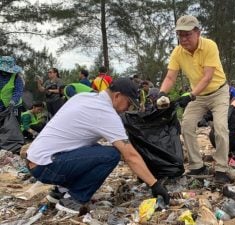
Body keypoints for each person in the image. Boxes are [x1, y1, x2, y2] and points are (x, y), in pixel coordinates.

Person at [26, 78, 169, 214]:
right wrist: (154, 185)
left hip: (37, 159)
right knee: (111, 155)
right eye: (128, 103)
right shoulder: (105, 113)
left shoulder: (83, 97)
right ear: (117, 96)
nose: (127, 109)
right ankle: (73, 199)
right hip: (46, 166)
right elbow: (129, 155)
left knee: (96, 149)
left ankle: (60, 191)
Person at [156, 15, 231, 183]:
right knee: (187, 126)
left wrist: (190, 95)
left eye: (187, 34)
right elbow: (170, 77)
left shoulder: (210, 46)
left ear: (198, 32)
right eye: (180, 35)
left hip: (218, 92)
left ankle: (221, 168)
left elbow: (207, 77)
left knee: (220, 128)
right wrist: (162, 93)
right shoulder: (178, 52)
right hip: (198, 95)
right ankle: (197, 165)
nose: (183, 39)